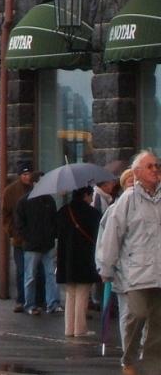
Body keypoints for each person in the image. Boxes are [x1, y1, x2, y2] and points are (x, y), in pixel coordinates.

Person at [97, 150, 161, 375]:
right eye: (150, 166)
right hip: (135, 272)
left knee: (158, 323)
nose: (155, 170)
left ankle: (153, 367)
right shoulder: (128, 199)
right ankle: (129, 359)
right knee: (137, 314)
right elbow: (112, 234)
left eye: (157, 166)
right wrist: (106, 267)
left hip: (159, 272)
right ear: (137, 172)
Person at [55, 185, 100, 339]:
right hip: (85, 258)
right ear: (85, 195)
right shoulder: (92, 213)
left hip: (66, 258)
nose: (92, 198)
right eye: (91, 195)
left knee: (71, 294)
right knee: (82, 293)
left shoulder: (63, 211)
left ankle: (69, 328)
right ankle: (80, 328)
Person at [17, 190, 61, 315]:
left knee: (39, 275)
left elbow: (54, 220)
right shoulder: (45, 200)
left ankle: (45, 304)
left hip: (40, 244)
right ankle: (41, 304)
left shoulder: (46, 200)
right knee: (38, 275)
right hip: (38, 244)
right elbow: (20, 223)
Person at [1, 162, 36, 311]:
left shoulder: (37, 188)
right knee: (22, 271)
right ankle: (21, 300)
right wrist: (12, 232)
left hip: (35, 238)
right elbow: (5, 215)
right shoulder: (11, 191)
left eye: (29, 174)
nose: (27, 177)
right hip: (19, 238)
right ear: (20, 175)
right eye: (24, 174)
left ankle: (36, 300)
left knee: (36, 272)